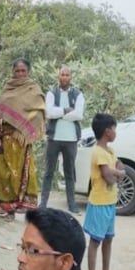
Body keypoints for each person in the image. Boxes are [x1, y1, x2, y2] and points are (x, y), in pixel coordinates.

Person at [0, 58, 45, 220]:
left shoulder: (33, 89)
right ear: (13, 72)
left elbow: (39, 113)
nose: (20, 74)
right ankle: (7, 209)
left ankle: (23, 210)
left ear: (28, 72)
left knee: (21, 174)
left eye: (23, 71)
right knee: (3, 174)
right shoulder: (7, 88)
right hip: (4, 139)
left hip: (22, 140)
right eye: (17, 71)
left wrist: (23, 131)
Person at [83, 113, 125, 270]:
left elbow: (118, 166)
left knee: (108, 239)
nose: (116, 132)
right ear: (107, 131)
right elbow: (109, 177)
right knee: (95, 241)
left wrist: (116, 172)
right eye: (114, 128)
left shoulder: (110, 151)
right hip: (99, 203)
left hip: (110, 202)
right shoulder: (98, 152)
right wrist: (119, 173)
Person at [39, 65, 85, 214]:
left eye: (67, 75)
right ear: (58, 77)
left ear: (71, 77)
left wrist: (58, 113)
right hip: (54, 138)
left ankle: (72, 204)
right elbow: (49, 113)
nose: (64, 77)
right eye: (62, 75)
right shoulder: (52, 93)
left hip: (71, 139)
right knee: (48, 172)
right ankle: (43, 203)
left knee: (69, 172)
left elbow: (79, 115)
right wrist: (65, 110)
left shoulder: (78, 94)